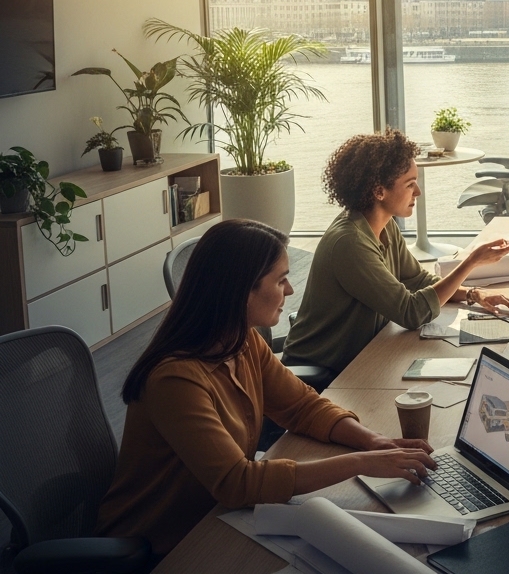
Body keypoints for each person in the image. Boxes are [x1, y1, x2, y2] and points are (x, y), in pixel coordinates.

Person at [96, 219, 441, 555]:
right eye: (281, 280)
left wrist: (373, 441)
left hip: (217, 517)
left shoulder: (242, 341)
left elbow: (302, 406)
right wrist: (361, 462)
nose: (289, 290)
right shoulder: (175, 380)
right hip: (162, 546)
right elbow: (237, 484)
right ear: (242, 290)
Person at [281, 130, 509, 376]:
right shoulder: (350, 243)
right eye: (409, 184)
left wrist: (472, 294)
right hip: (324, 371)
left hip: (365, 355)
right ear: (379, 191)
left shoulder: (384, 225)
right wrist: (471, 262)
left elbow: (417, 280)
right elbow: (411, 313)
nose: (417, 191)